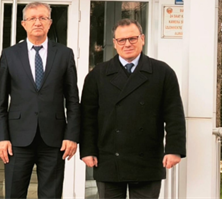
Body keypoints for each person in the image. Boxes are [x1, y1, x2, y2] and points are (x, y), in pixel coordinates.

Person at [80, 19, 186, 199]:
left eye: (132, 38)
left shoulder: (162, 72)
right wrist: (87, 150)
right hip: (108, 158)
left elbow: (174, 114)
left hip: (148, 159)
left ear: (142, 39)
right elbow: (87, 117)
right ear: (115, 43)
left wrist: (174, 149)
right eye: (121, 40)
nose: (127, 44)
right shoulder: (98, 74)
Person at [0, 2, 80, 199]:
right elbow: (0, 101)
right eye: (32, 18)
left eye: (43, 18)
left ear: (50, 23)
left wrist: (72, 135)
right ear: (23, 24)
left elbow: (73, 100)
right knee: (14, 194)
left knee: (51, 195)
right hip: (17, 139)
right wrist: (1, 137)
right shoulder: (10, 54)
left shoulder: (64, 54)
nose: (38, 22)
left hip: (54, 140)